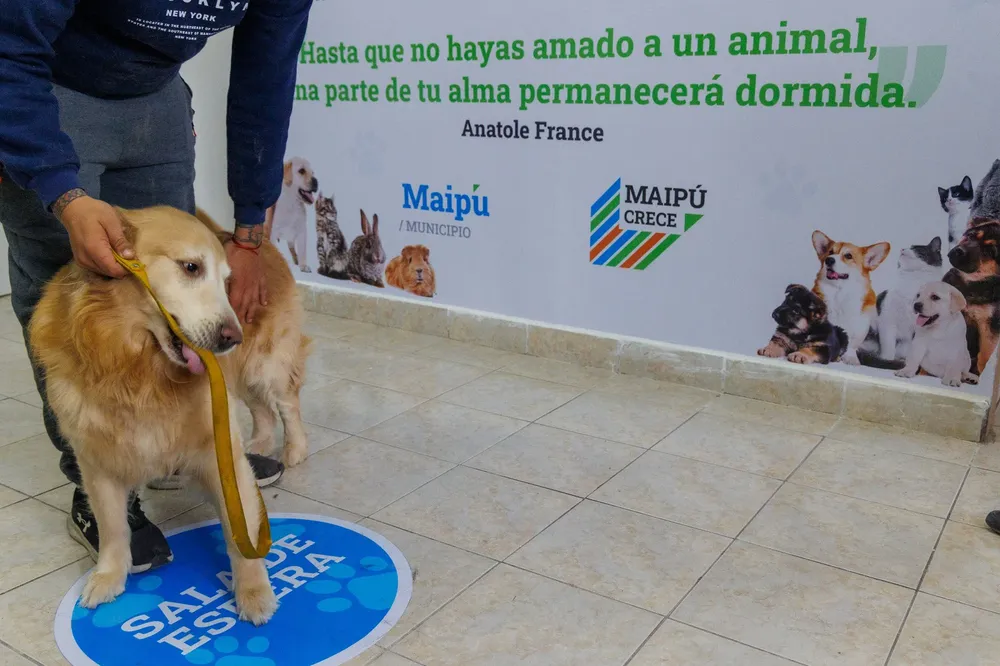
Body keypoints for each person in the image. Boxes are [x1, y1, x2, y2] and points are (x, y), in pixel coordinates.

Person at [0, 0, 312, 573]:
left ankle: (176, 452)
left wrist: (246, 235)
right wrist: (60, 191)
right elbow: (9, 47)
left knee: (172, 302)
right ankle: (95, 486)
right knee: (63, 290)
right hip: (51, 89)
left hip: (158, 97)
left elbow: (267, 71)